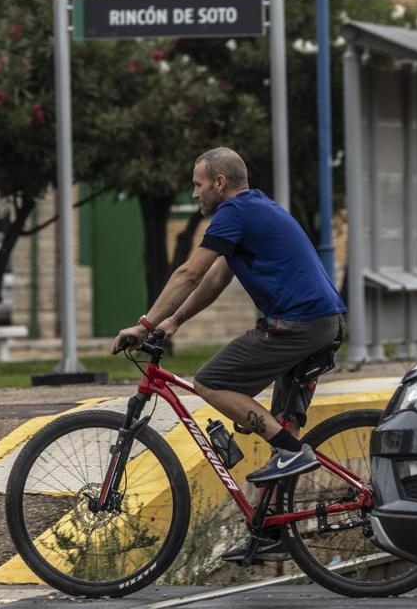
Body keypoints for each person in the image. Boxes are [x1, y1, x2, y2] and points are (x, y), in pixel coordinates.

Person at [113, 147, 346, 560]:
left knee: (211, 382)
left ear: (220, 183)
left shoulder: (234, 212)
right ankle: (272, 535)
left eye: (198, 185)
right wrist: (174, 322)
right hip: (319, 323)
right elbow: (217, 277)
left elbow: (189, 272)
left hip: (300, 324)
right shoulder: (254, 210)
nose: (195, 195)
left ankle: (295, 455)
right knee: (282, 425)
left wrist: (145, 325)